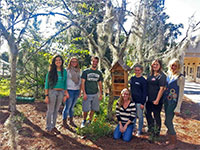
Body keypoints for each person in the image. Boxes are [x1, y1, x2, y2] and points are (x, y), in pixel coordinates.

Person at [44, 54, 69, 135]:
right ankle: (48, 128)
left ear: (62, 61)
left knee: (56, 110)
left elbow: (65, 83)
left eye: (60, 60)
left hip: (61, 92)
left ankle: (53, 126)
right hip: (52, 92)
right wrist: (46, 96)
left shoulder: (64, 71)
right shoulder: (50, 72)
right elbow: (46, 85)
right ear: (54, 62)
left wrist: (65, 94)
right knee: (50, 110)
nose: (58, 61)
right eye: (56, 60)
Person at [164, 59, 185, 149]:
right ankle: (169, 139)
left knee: (168, 121)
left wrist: (178, 107)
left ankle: (173, 142)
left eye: (175, 66)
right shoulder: (169, 75)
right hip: (166, 101)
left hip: (173, 102)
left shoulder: (180, 77)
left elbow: (181, 93)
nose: (173, 67)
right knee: (167, 121)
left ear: (178, 66)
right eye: (172, 65)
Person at [80, 56, 103, 128]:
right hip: (87, 93)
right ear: (91, 62)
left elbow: (100, 84)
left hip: (95, 93)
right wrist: (84, 93)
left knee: (93, 108)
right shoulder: (86, 72)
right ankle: (84, 121)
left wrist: (101, 94)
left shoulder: (99, 73)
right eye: (93, 61)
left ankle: (90, 121)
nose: (95, 63)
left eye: (96, 62)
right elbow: (82, 83)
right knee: (86, 109)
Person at [145, 59, 166, 136]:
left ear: (160, 66)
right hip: (149, 99)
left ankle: (156, 132)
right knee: (147, 113)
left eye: (157, 64)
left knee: (156, 115)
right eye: (154, 64)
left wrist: (157, 100)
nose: (155, 66)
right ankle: (151, 128)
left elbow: (162, 89)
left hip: (157, 100)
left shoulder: (162, 76)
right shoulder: (150, 74)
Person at [62, 57, 81, 128]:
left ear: (77, 63)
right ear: (70, 62)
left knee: (72, 107)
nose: (74, 63)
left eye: (75, 61)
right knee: (67, 107)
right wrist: (65, 91)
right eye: (72, 61)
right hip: (69, 90)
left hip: (76, 90)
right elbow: (64, 82)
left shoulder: (79, 71)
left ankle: (71, 120)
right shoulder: (67, 71)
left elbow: (80, 82)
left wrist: (80, 91)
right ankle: (64, 122)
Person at [130, 64, 147, 136]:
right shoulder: (132, 79)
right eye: (136, 70)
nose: (137, 72)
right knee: (133, 116)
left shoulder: (143, 80)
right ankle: (133, 129)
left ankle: (139, 130)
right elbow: (130, 90)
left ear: (141, 71)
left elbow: (145, 92)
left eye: (138, 70)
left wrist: (143, 103)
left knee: (140, 116)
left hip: (140, 102)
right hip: (133, 101)